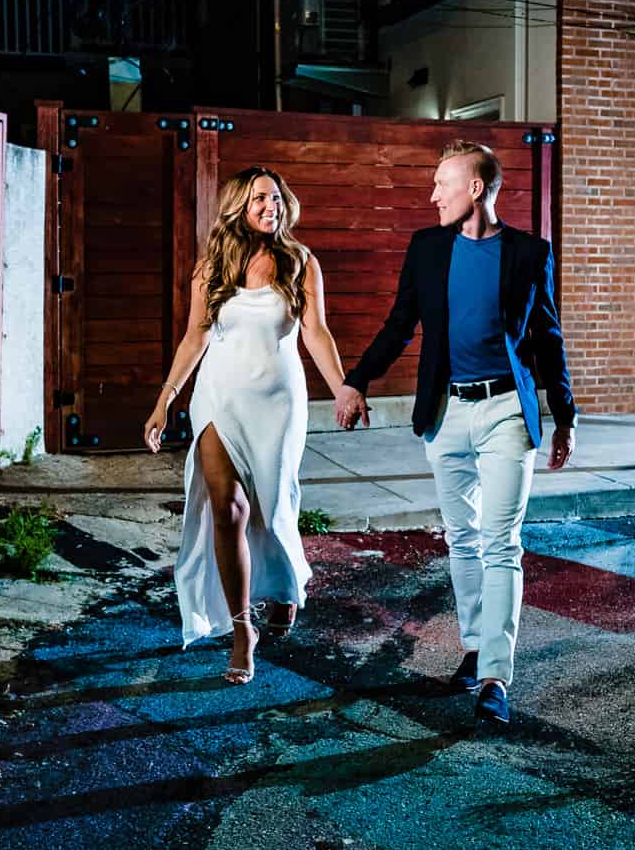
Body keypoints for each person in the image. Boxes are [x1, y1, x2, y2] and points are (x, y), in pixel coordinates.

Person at [334, 141, 576, 726]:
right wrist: (355, 380)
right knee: (461, 538)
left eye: (442, 182)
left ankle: (495, 674)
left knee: (500, 542)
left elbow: (546, 337)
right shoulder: (427, 248)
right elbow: (400, 324)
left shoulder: (528, 253)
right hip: (445, 414)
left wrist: (564, 414)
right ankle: (474, 644)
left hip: (505, 415)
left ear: (475, 188)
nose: (432, 193)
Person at [145, 166, 353, 685]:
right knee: (228, 508)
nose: (272, 206)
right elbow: (195, 337)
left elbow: (316, 332)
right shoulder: (212, 266)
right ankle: (242, 630)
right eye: (261, 197)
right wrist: (166, 398)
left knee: (274, 510)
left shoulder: (300, 262)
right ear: (240, 204)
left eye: (277, 198)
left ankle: (284, 587)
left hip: (279, 405)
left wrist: (343, 386)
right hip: (218, 400)